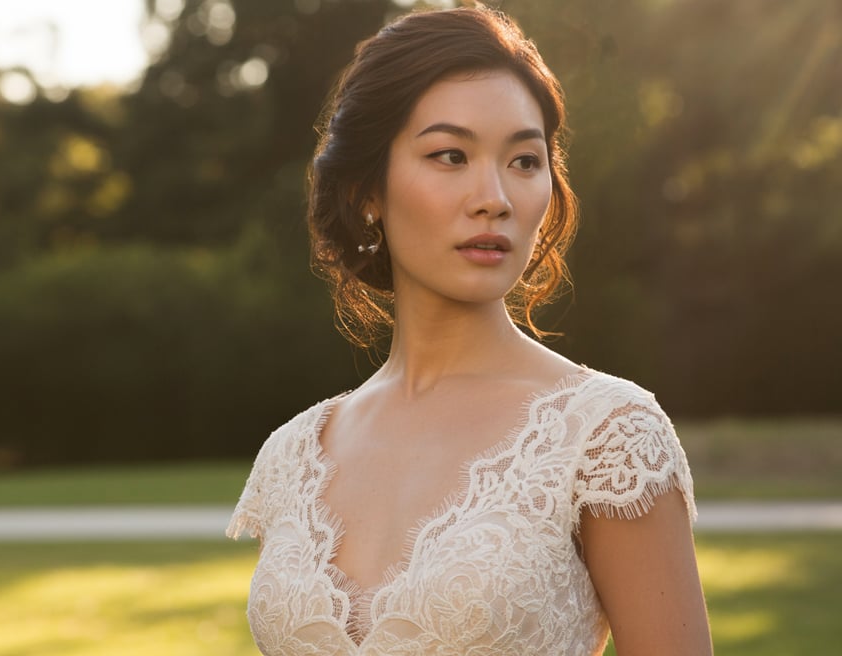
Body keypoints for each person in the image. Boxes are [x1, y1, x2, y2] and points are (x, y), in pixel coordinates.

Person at [227, 6, 712, 655]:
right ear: (368, 189)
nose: (495, 197)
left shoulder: (607, 437)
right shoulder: (293, 456)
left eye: (523, 160)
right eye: (450, 155)